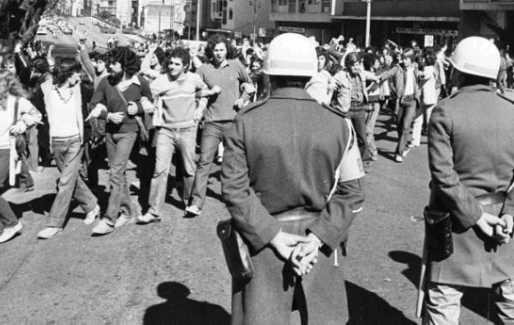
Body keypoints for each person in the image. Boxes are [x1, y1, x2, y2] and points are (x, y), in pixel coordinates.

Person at [221, 33, 365, 325]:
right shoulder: (339, 123)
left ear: (268, 74)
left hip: (263, 241)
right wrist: (318, 237)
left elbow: (234, 190)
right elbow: (352, 192)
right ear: (312, 72)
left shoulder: (245, 121)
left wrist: (274, 236)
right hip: (319, 242)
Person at [422, 36, 514, 324]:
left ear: (458, 71)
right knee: (509, 296)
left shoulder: (445, 111)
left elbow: (443, 175)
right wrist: (512, 214)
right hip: (501, 219)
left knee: (443, 299)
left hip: (454, 219)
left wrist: (475, 216)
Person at [137, 47, 220, 224]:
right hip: (166, 131)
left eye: (176, 64)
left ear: (186, 66)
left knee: (189, 169)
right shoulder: (161, 81)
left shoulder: (194, 79)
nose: (172, 66)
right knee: (160, 170)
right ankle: (154, 211)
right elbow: (146, 96)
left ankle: (190, 202)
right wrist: (146, 103)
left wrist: (200, 109)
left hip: (187, 130)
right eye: (170, 63)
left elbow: (205, 92)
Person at [186, 36, 253, 218]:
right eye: (215, 50)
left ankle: (234, 199)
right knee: (204, 162)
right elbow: (192, 90)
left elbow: (249, 85)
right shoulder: (203, 69)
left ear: (227, 50)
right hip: (211, 123)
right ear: (211, 51)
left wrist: (242, 99)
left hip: (233, 122)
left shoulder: (236, 65)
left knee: (234, 163)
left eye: (222, 49)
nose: (219, 53)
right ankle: (196, 203)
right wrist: (208, 92)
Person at [0, 69, 42, 245]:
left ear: (3, 85)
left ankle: (12, 223)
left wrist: (22, 125)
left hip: (5, 152)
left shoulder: (18, 102)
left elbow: (37, 116)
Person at [90, 47, 153, 235]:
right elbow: (93, 104)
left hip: (129, 132)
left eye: (113, 63)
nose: (109, 66)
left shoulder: (140, 82)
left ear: (125, 65)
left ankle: (109, 219)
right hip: (110, 133)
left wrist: (138, 108)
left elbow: (150, 102)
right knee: (120, 174)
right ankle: (128, 212)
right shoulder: (105, 82)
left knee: (115, 172)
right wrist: (108, 116)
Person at [36, 58, 101, 239]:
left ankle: (54, 224)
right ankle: (92, 205)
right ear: (67, 74)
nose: (78, 77)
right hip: (55, 142)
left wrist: (99, 108)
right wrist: (27, 118)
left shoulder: (81, 89)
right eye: (76, 73)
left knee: (64, 182)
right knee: (72, 179)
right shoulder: (45, 90)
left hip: (75, 141)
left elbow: (99, 97)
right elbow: (31, 106)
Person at [379, 50, 420, 163]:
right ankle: (403, 145)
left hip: (412, 101)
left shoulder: (415, 68)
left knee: (406, 127)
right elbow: (387, 74)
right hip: (400, 101)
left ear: (411, 59)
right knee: (399, 127)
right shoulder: (397, 68)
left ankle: (399, 152)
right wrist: (377, 78)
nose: (404, 61)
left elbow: (419, 79)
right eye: (403, 58)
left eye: (406, 59)